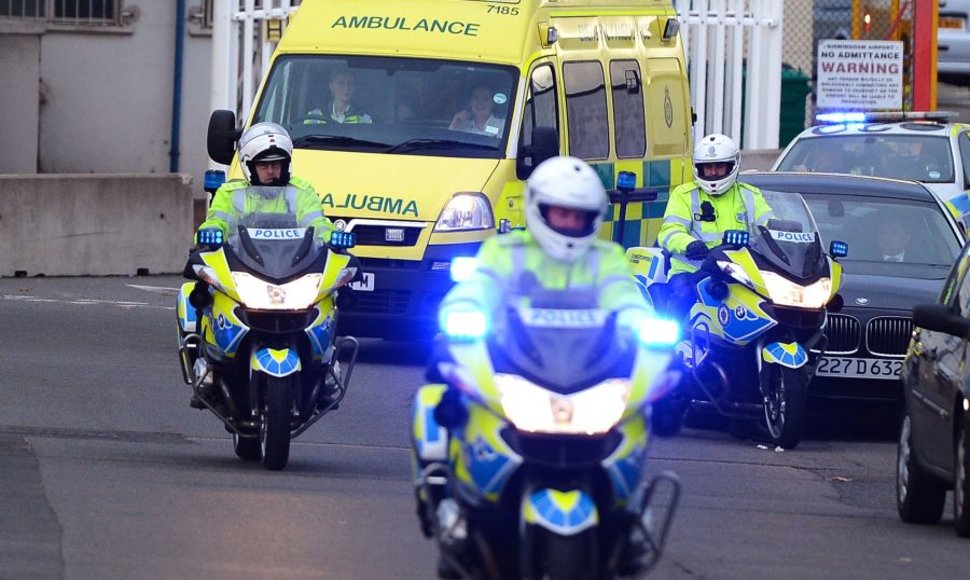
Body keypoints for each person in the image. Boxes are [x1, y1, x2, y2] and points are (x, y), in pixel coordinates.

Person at [430, 155, 653, 578]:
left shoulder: (606, 258)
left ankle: (632, 516)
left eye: (578, 216)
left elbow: (626, 298)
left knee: (645, 406)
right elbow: (478, 289)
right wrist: (461, 314)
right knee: (433, 398)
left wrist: (642, 325)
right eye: (559, 212)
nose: (568, 223)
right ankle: (443, 497)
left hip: (588, 376)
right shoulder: (505, 251)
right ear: (537, 208)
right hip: (514, 371)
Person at [657, 133, 773, 317]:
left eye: (719, 167)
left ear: (732, 165)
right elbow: (670, 231)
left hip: (741, 274)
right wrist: (689, 244)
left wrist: (785, 237)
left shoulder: (750, 195)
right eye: (707, 167)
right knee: (682, 298)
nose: (712, 173)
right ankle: (668, 345)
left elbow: (769, 229)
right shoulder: (684, 194)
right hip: (692, 271)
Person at [197, 122, 335, 245]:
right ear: (250, 167)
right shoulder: (230, 194)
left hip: (294, 264)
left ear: (285, 165)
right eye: (263, 166)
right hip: (241, 265)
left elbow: (317, 223)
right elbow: (217, 221)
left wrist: (327, 236)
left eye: (275, 165)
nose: (270, 171)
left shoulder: (301, 192)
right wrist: (211, 231)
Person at [303, 69, 373, 125]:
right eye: (341, 83)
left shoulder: (364, 119)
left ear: (355, 87)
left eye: (350, 83)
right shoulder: (314, 116)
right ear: (331, 87)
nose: (346, 88)